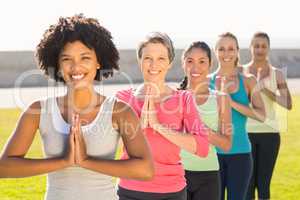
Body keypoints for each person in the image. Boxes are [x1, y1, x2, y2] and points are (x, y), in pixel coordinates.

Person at [0, 14, 154, 200]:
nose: (76, 67)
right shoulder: (38, 111)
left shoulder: (119, 112)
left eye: (85, 58)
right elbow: (4, 167)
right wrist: (65, 161)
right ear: (57, 65)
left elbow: (145, 170)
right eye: (66, 59)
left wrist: (86, 161)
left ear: (98, 62)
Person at [116, 32, 210, 200]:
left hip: (171, 192)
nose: (154, 65)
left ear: (169, 63)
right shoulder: (123, 98)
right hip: (130, 190)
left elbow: (202, 148)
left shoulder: (184, 99)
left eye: (161, 58)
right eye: (148, 58)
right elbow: (109, 143)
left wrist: (157, 125)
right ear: (140, 61)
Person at [210, 32, 266, 200]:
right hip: (212, 156)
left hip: (241, 154)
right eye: (221, 49)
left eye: (230, 49)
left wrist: (230, 101)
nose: (226, 54)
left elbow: (261, 115)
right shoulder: (205, 82)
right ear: (215, 51)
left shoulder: (248, 81)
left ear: (237, 51)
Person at [178, 41, 232, 200]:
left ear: (210, 64)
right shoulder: (174, 97)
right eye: (190, 61)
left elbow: (226, 144)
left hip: (208, 175)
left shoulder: (221, 99)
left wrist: (199, 128)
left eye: (202, 61)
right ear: (183, 64)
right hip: (176, 174)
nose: (196, 67)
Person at [244, 32, 292, 200]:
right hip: (245, 135)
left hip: (270, 134)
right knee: (247, 185)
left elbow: (288, 103)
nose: (260, 49)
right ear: (250, 48)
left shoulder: (277, 74)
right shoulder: (241, 72)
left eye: (263, 46)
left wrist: (265, 89)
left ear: (268, 48)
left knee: (263, 185)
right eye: (256, 45)